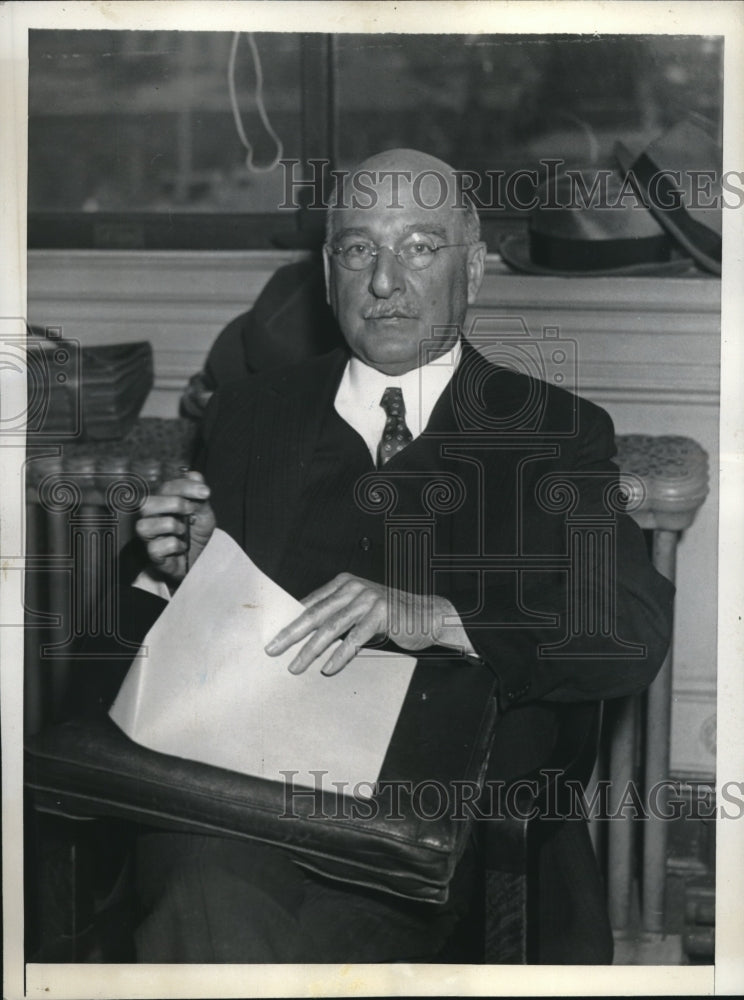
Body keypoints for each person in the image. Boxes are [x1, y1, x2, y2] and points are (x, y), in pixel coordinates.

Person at [129, 148, 674, 963]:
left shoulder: (550, 433)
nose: (384, 282)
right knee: (203, 890)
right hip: (246, 809)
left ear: (475, 271)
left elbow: (627, 628)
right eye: (358, 250)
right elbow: (156, 658)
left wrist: (442, 617)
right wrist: (184, 571)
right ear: (327, 272)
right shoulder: (251, 414)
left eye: (419, 247)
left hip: (451, 844)